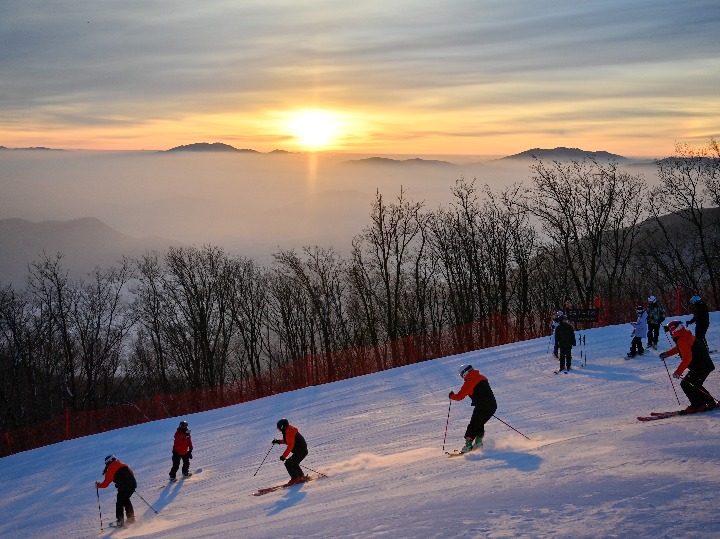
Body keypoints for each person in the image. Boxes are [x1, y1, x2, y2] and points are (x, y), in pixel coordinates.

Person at [659, 320, 716, 413]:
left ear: (674, 330)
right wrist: (667, 354)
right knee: (694, 384)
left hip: (700, 367)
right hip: (705, 365)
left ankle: (697, 405)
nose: (669, 332)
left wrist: (678, 372)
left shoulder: (682, 339)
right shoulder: (685, 336)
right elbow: (679, 348)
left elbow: (687, 359)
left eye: (669, 330)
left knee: (686, 384)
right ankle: (710, 402)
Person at [449, 364, 498, 453]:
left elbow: (460, 396)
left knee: (474, 424)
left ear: (465, 373)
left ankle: (468, 445)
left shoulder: (469, 382)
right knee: (479, 423)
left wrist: (452, 396)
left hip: (482, 406)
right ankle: (478, 443)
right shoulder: (482, 377)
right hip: (492, 406)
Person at [96, 455, 137, 528]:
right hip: (133, 484)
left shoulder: (111, 469)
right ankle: (131, 519)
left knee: (119, 503)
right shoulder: (123, 464)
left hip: (124, 487)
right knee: (126, 500)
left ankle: (120, 522)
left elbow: (105, 484)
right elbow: (132, 473)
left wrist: (98, 485)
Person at [272, 418, 308, 485]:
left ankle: (296, 478)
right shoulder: (288, 430)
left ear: (283, 427)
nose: (279, 430)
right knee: (293, 463)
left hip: (301, 451)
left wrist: (283, 456)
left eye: (279, 428)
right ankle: (300, 476)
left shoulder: (289, 432)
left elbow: (290, 445)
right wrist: (278, 441)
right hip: (301, 451)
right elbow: (288, 441)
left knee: (288, 463)